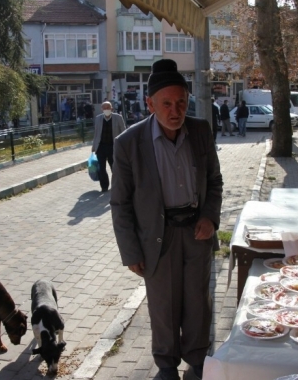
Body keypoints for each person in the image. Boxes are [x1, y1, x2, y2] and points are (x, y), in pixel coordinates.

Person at [110, 59, 223, 380]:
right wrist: (130, 252)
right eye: (167, 104)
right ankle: (166, 367)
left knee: (198, 303)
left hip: (196, 233)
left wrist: (210, 217)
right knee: (163, 308)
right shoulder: (128, 144)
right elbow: (120, 203)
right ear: (150, 104)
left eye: (182, 103)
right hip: (156, 240)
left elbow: (214, 182)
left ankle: (198, 362)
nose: (176, 111)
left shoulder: (200, 131)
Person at [91, 101, 126, 193]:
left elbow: (123, 132)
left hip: (113, 147)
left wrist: (124, 147)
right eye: (104, 108)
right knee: (101, 169)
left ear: (112, 109)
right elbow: (96, 133)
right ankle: (104, 186)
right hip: (101, 147)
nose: (106, 109)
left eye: (108, 107)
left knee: (114, 167)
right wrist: (94, 147)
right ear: (102, 109)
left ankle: (117, 185)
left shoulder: (118, 118)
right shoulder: (98, 118)